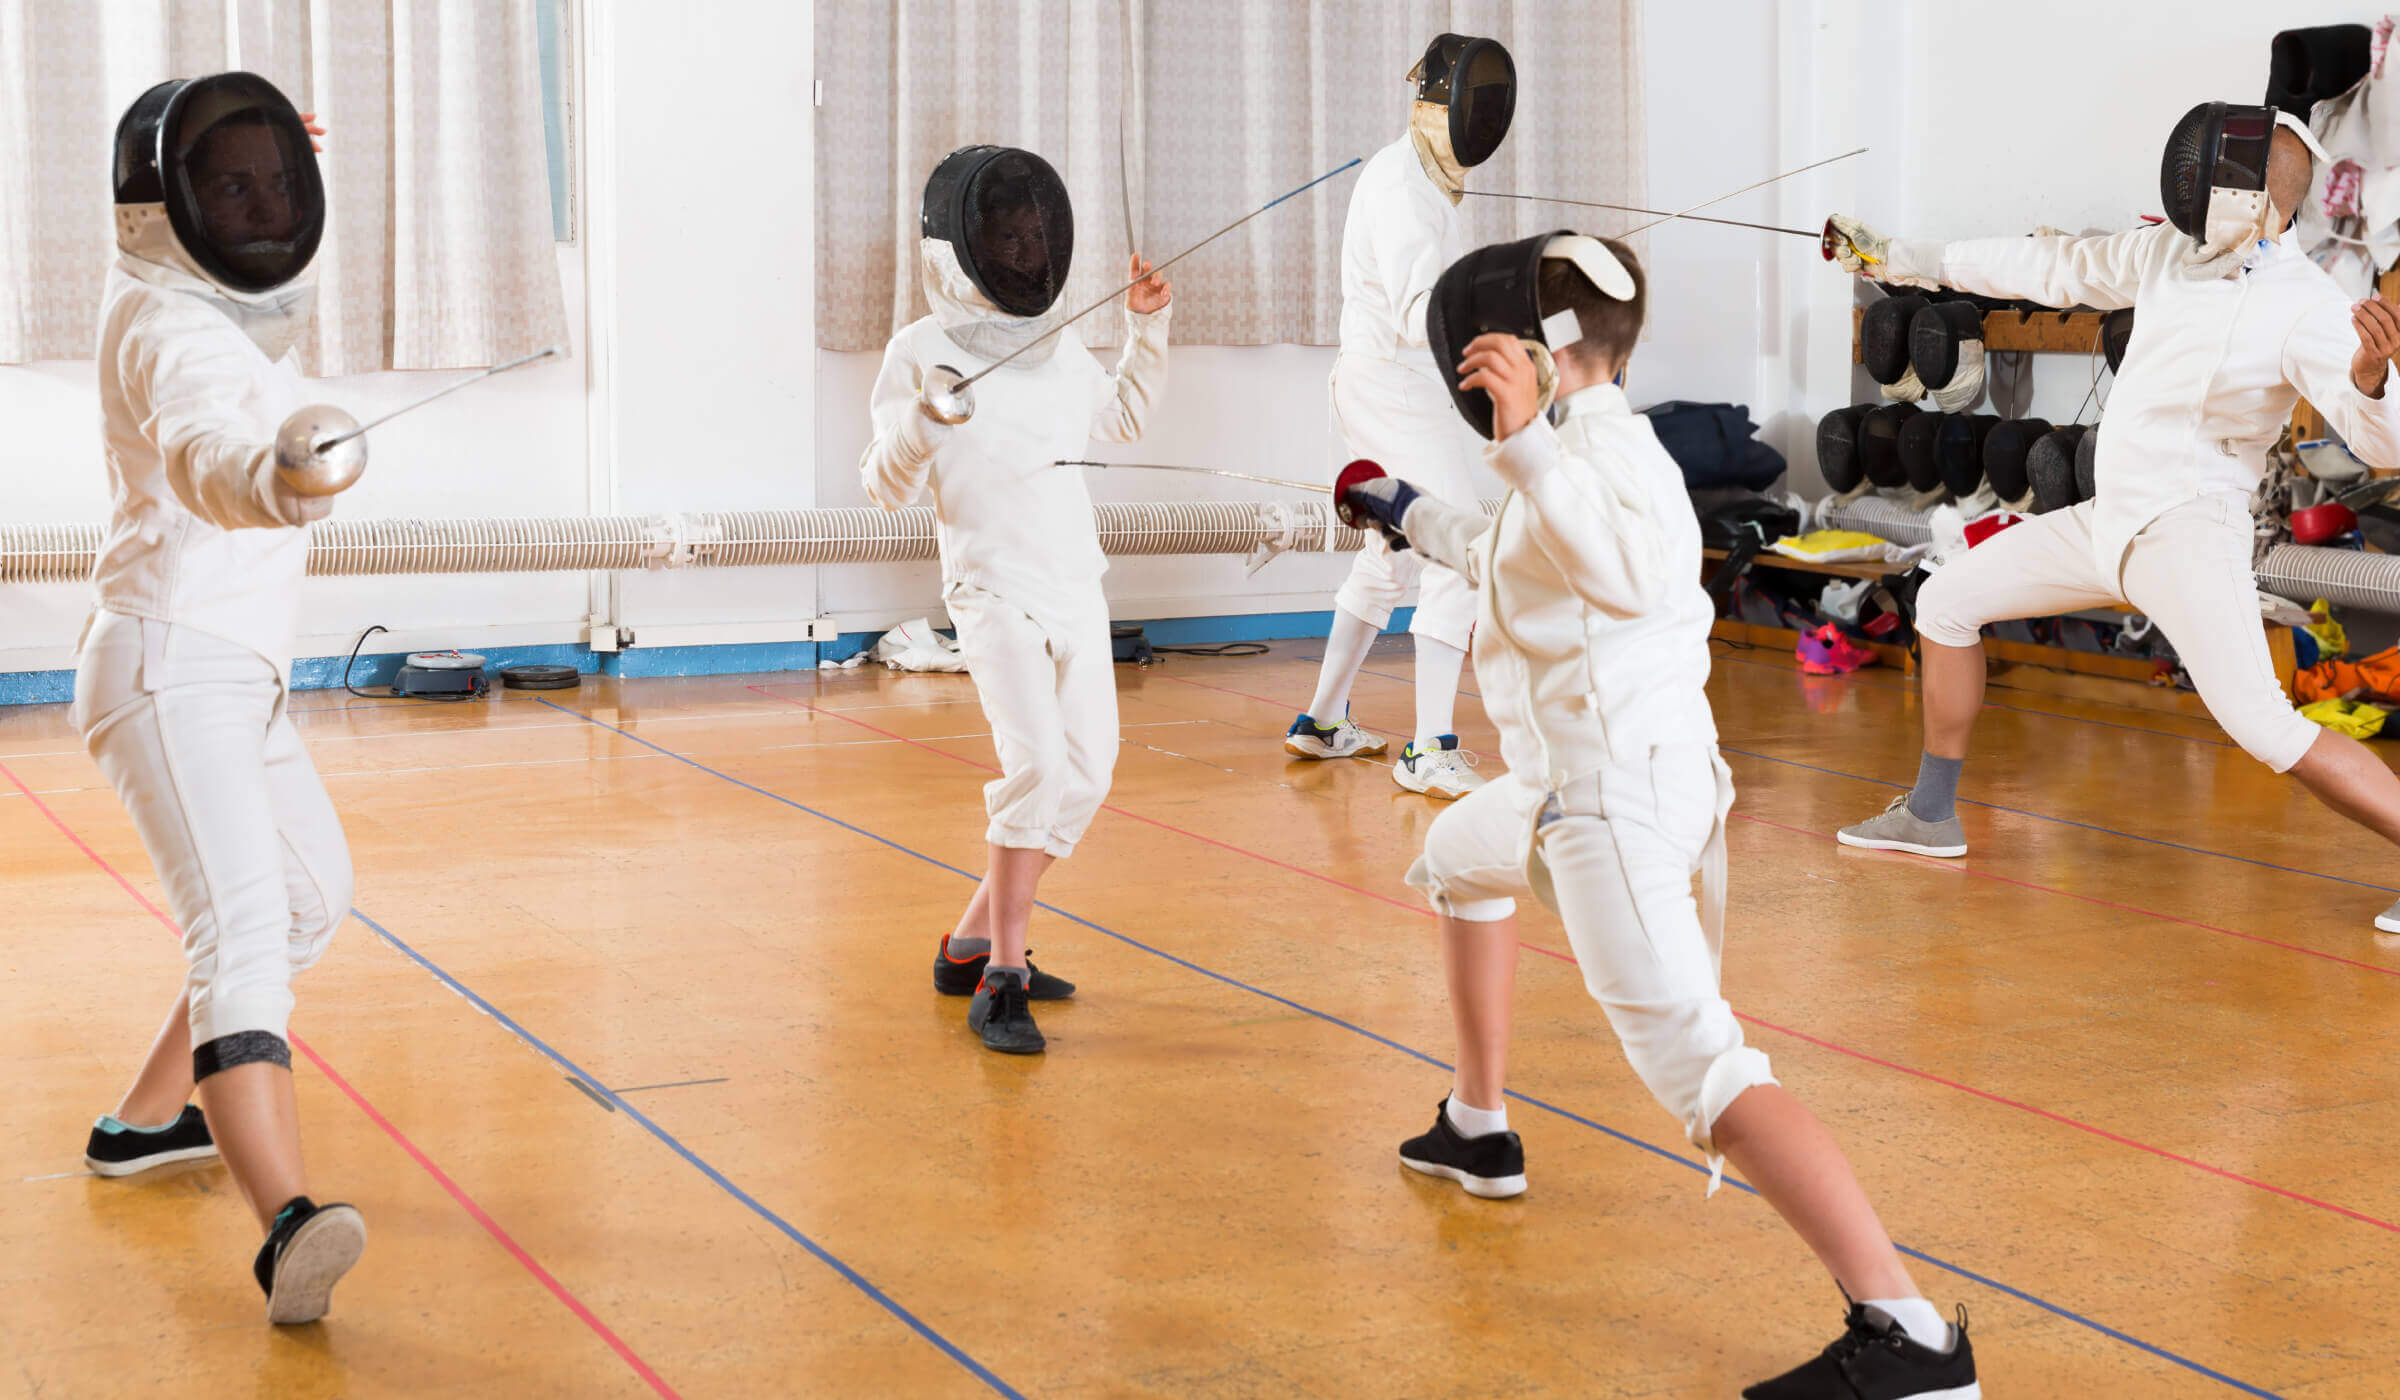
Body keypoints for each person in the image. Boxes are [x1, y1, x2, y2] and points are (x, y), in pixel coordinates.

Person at [1342, 234, 1979, 1399]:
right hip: (1576, 784)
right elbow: (1516, 548)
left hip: (1615, 803)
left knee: (1704, 1062)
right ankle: (1479, 1122)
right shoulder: (1582, 454)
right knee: (1454, 856)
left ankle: (1912, 1338)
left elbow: (1630, 567)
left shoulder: (1600, 465)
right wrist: (1404, 509)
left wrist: (1527, 440)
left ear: (1531, 355)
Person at [1828, 105, 2400, 935]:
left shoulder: (2308, 305)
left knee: (2268, 730)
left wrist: (2374, 378)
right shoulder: (2164, 253)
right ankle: (1928, 813)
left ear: (2253, 200)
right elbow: (2044, 266)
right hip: (2108, 523)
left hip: (2189, 534)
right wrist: (1894, 256)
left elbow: (2383, 442)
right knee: (1946, 602)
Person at [79, 71, 365, 1323]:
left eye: (271, 180)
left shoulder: (224, 318)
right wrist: (272, 476)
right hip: (168, 662)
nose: (255, 204)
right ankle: (287, 1221)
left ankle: (147, 1124)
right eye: (227, 183)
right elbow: (204, 453)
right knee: (243, 934)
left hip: (232, 671)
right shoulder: (168, 326)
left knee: (310, 899)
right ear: (166, 202)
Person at [861, 145, 1172, 1054]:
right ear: (961, 246)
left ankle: (965, 945)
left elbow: (1120, 418)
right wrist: (922, 421)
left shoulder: (1058, 340)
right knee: (1034, 766)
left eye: (1033, 234)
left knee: (1088, 775)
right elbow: (883, 486)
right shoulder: (918, 351)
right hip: (992, 589)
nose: (1025, 247)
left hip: (1075, 580)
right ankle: (1003, 973)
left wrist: (1146, 329)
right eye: (1007, 234)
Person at [1283, 33, 1516, 801]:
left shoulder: (1413, 173)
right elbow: (1424, 315)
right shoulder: (1405, 191)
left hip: (1385, 382)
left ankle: (1320, 721)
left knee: (1389, 555)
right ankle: (1429, 749)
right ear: (1437, 107)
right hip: (1394, 385)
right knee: (1457, 550)